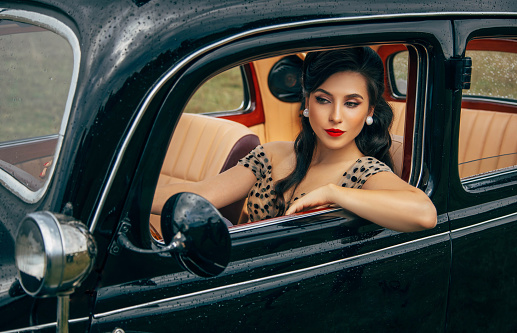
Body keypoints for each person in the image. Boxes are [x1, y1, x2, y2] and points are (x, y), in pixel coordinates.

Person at [152, 47, 437, 232]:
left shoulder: (365, 171)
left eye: (351, 103)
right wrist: (119, 197)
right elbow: (201, 195)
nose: (335, 116)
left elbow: (425, 214)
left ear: (369, 111)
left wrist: (332, 193)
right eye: (324, 100)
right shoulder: (272, 154)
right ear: (307, 101)